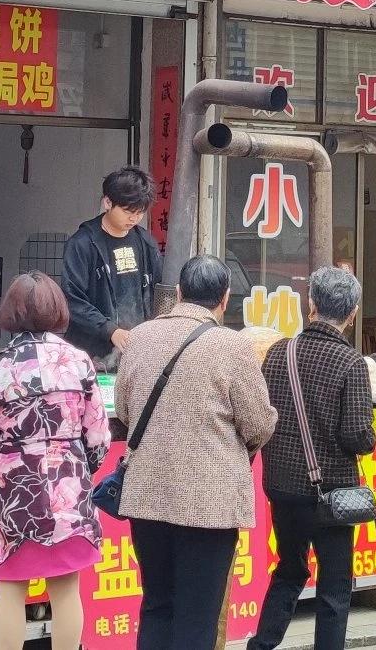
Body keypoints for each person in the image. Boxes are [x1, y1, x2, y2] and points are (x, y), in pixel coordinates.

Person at [109, 254, 276, 650]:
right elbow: (259, 424)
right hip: (209, 504)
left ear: (180, 292)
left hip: (147, 496)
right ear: (225, 298)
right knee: (197, 617)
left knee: (157, 606)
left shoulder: (140, 337)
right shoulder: (233, 347)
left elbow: (124, 409)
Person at [0, 273, 110, 650]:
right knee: (66, 589)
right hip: (69, 489)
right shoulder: (80, 362)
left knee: (9, 589)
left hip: (16, 493)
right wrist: (76, 466)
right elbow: (98, 436)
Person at [249, 267, 376, 650]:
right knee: (335, 586)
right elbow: (356, 436)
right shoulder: (350, 363)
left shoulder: (278, 352)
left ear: (311, 305)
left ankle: (261, 646)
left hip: (282, 485)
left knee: (289, 570)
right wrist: (371, 435)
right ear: (352, 313)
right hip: (332, 496)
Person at [64, 167, 160, 362]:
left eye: (140, 212)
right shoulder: (82, 244)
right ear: (108, 202)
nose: (134, 218)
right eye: (127, 211)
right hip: (89, 353)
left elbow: (158, 293)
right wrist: (110, 331)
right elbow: (72, 300)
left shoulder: (146, 243)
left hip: (136, 351)